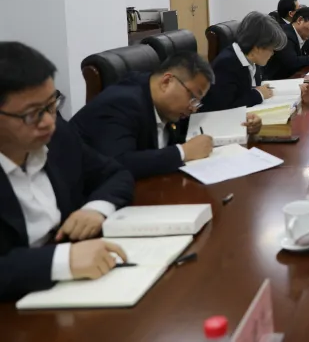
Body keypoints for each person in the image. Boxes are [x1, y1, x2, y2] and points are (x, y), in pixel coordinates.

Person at [0, 42, 133, 301]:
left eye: (52, 105)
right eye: (32, 114)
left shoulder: (58, 136)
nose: (49, 122)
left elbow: (115, 174)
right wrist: (61, 260)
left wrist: (95, 209)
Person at [73, 52, 260, 179]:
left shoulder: (166, 106)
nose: (193, 108)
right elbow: (119, 162)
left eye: (197, 102)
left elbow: (189, 131)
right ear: (166, 82)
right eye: (192, 98)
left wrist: (240, 124)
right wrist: (183, 152)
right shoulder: (123, 102)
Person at [200, 11, 286, 112]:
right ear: (257, 48)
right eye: (271, 49)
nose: (272, 54)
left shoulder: (252, 60)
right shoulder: (226, 64)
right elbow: (225, 107)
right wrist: (259, 94)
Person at [264, 6, 309, 80]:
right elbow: (292, 62)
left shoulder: (300, 35)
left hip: (293, 78)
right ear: (300, 20)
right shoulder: (285, 35)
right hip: (276, 81)